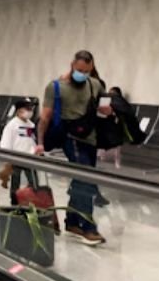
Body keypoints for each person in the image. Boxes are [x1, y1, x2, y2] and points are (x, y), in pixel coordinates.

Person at [36, 50, 109, 246]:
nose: (81, 74)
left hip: (90, 137)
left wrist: (107, 111)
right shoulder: (56, 87)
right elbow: (45, 117)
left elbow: (104, 109)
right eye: (78, 70)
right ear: (71, 65)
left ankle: (72, 222)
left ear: (91, 68)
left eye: (85, 70)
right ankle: (88, 227)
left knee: (81, 180)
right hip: (70, 136)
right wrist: (40, 142)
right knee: (85, 178)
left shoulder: (95, 85)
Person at [0, 100, 39, 204]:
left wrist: (36, 152)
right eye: (27, 109)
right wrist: (7, 159)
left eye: (31, 109)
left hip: (30, 158)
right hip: (16, 158)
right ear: (19, 111)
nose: (30, 112)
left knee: (33, 181)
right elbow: (6, 141)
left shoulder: (31, 125)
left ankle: (32, 199)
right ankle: (14, 201)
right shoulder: (12, 125)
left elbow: (32, 140)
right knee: (15, 181)